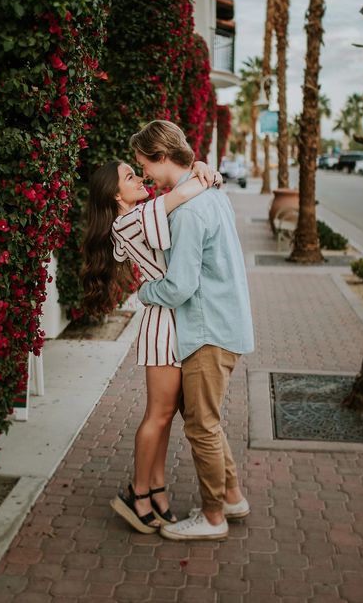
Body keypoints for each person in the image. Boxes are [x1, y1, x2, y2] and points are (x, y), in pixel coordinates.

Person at [81, 157, 220, 535]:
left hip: (174, 319)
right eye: (130, 176)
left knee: (166, 416)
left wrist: (202, 166)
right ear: (115, 194)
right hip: (163, 324)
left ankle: (156, 490)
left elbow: (186, 191)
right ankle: (137, 493)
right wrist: (206, 171)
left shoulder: (141, 215)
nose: (140, 177)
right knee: (157, 415)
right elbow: (189, 190)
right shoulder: (129, 219)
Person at [131, 119, 254, 542]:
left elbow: (180, 286)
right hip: (225, 324)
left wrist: (145, 291)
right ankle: (233, 496)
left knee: (202, 426)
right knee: (207, 421)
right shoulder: (212, 191)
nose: (143, 173)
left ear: (161, 157)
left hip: (206, 330)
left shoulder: (186, 209)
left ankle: (214, 516)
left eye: (143, 163)